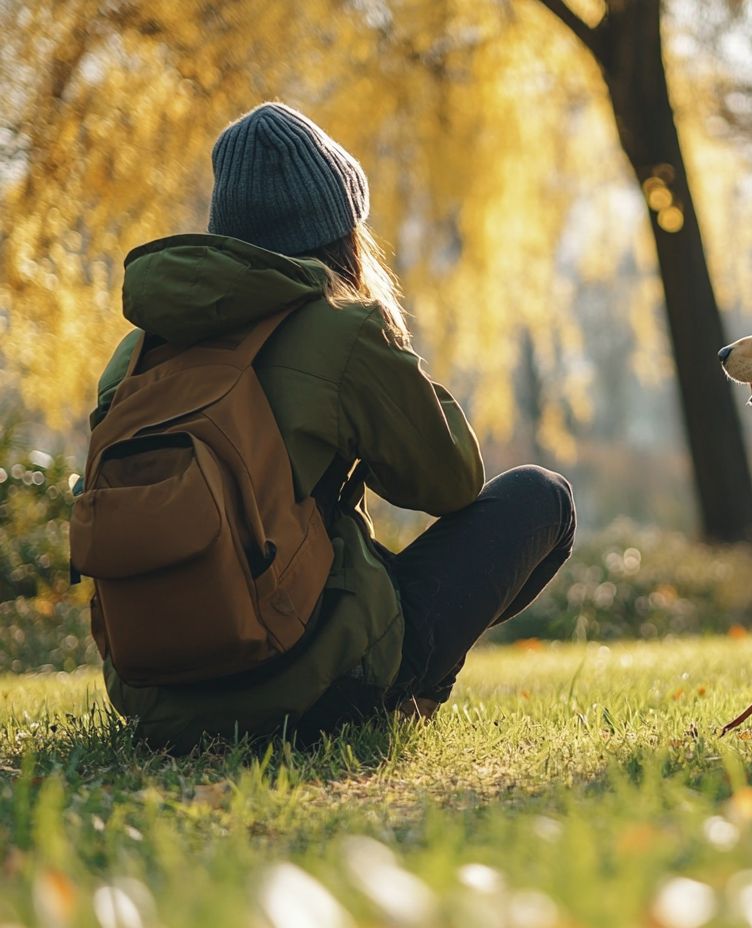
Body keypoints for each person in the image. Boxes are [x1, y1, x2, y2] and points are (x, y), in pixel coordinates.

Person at [87, 102, 575, 750]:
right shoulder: (340, 330)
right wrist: (391, 347)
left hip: (154, 702)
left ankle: (367, 682)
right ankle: (401, 699)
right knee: (543, 499)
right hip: (308, 685)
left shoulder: (134, 353)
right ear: (340, 231)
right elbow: (452, 482)